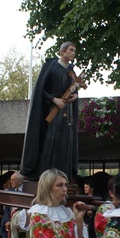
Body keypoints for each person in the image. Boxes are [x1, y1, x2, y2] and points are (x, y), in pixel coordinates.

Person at [21, 42, 81, 181]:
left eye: (74, 51)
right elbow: (40, 90)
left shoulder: (71, 71)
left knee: (66, 142)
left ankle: (63, 176)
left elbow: (74, 88)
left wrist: (75, 96)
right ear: (62, 52)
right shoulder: (51, 67)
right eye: (71, 50)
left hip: (68, 113)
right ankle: (47, 176)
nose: (73, 53)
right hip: (52, 112)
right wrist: (54, 100)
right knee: (51, 141)